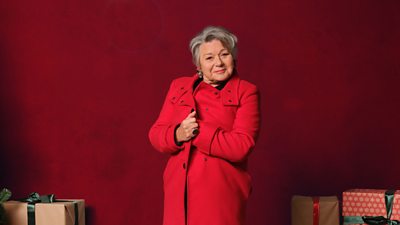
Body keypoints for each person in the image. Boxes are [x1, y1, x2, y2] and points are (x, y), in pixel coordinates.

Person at [149, 26, 260, 225]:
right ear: (198, 65)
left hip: (221, 193)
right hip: (179, 190)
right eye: (209, 58)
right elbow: (156, 134)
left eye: (224, 54)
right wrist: (177, 134)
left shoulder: (246, 92)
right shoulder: (179, 86)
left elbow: (241, 146)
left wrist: (197, 131)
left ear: (233, 58)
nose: (218, 62)